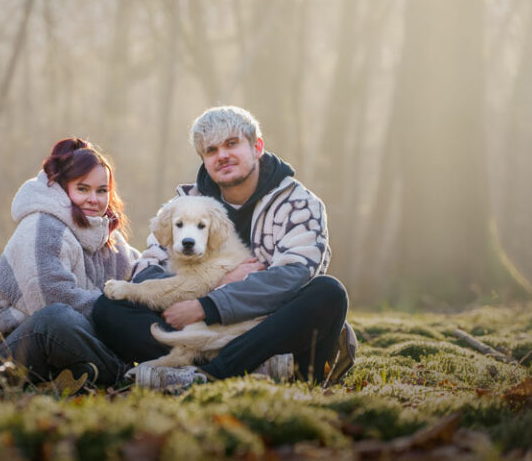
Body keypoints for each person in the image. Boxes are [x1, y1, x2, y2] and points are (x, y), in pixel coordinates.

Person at [93, 106, 356, 388]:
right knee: (109, 308)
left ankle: (212, 373)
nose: (222, 156)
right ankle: (251, 368)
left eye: (232, 144)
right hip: (194, 325)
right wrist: (211, 287)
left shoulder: (299, 203)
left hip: (266, 328)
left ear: (257, 147)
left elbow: (293, 275)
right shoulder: (185, 204)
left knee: (328, 293)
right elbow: (148, 267)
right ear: (204, 160)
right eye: (211, 150)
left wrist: (210, 305)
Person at [0, 138, 139, 390]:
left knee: (144, 297)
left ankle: (164, 364)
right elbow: (50, 298)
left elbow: (138, 270)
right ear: (62, 188)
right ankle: (127, 374)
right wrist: (120, 311)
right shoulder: (42, 226)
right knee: (56, 318)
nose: (94, 199)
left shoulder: (106, 235)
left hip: (59, 348)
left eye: (101, 191)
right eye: (82, 189)